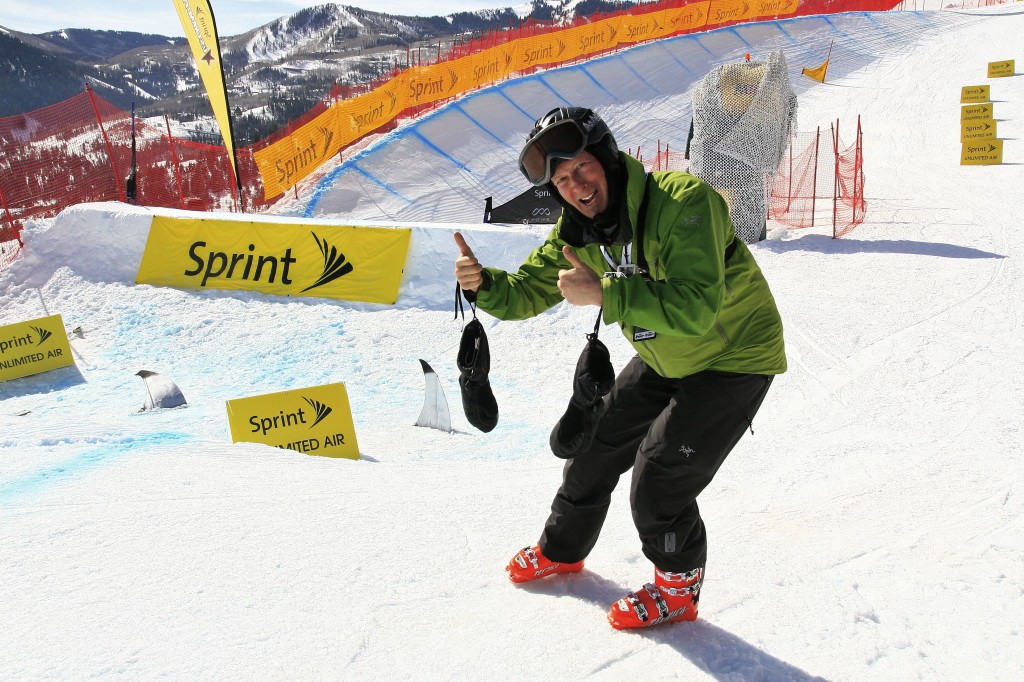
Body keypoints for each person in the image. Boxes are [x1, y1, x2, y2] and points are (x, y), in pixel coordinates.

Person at [453, 106, 786, 630]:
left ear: (606, 160)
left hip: (733, 356)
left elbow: (697, 308)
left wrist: (606, 291)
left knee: (659, 478)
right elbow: (529, 291)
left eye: (581, 168)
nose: (576, 186)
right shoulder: (577, 230)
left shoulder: (683, 204)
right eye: (561, 180)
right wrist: (484, 284)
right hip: (665, 354)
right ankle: (563, 550)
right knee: (594, 444)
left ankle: (678, 590)